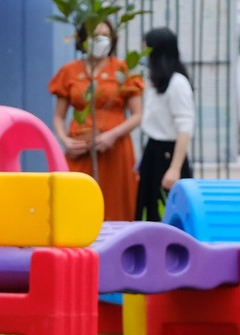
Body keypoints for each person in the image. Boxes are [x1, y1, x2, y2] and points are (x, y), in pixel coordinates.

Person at [48, 19, 144, 220]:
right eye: (95, 35)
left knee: (116, 205)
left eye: (106, 35)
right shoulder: (69, 71)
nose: (101, 40)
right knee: (75, 204)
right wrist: (64, 140)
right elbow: (58, 116)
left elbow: (137, 115)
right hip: (79, 148)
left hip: (115, 149)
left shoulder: (122, 69)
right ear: (84, 38)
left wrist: (112, 135)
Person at [135, 27, 194, 222]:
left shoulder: (177, 84)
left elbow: (185, 128)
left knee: (166, 211)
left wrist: (175, 168)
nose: (143, 54)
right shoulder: (157, 82)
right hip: (153, 150)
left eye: (146, 49)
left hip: (169, 154)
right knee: (148, 208)